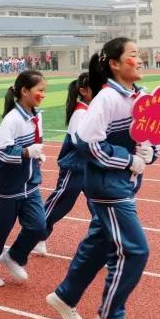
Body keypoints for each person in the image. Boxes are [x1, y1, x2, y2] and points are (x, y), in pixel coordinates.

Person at [46, 37, 157, 319]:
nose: (140, 59)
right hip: (107, 186)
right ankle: (110, 316)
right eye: (133, 55)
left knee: (99, 243)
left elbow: (149, 135)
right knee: (135, 249)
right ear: (115, 64)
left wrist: (150, 152)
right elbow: (87, 142)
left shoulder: (142, 96)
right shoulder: (106, 99)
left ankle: (65, 296)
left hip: (125, 183)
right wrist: (128, 160)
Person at [0, 70, 47, 287]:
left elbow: (36, 143)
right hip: (8, 187)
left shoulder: (36, 116)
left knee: (39, 227)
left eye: (44, 90)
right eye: (40, 90)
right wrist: (25, 152)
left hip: (30, 184)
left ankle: (14, 256)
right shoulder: (12, 119)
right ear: (24, 91)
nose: (43, 94)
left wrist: (37, 155)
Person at [33, 72, 93, 256]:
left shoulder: (93, 110)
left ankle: (101, 247)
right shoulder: (80, 112)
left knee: (102, 208)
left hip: (91, 166)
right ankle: (35, 237)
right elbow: (78, 141)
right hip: (75, 167)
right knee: (60, 203)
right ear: (83, 91)